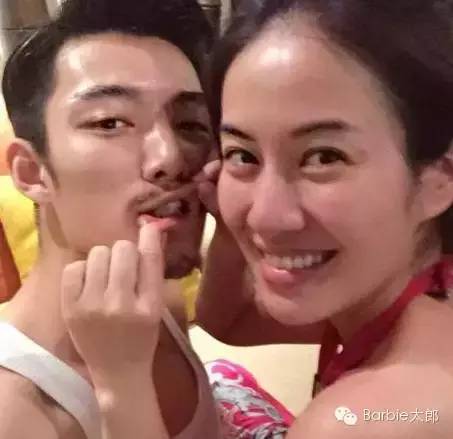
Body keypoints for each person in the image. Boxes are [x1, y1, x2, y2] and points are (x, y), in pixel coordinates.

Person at [198, 0, 453, 437]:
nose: (266, 216)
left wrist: (121, 380)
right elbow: (229, 321)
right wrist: (230, 225)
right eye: (243, 154)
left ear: (438, 179)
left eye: (324, 157)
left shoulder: (357, 423)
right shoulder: (415, 292)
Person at [0, 0, 223, 437]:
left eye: (190, 124)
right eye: (110, 123)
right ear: (31, 172)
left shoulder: (159, 304)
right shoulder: (14, 409)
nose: (170, 157)